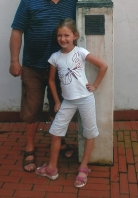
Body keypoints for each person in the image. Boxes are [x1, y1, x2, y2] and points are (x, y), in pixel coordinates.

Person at [9, 0, 78, 172]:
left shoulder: (72, 0)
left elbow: (77, 33)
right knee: (32, 109)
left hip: (62, 69)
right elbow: (17, 30)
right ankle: (30, 147)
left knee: (61, 107)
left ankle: (61, 139)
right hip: (33, 67)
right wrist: (14, 60)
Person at [35, 18, 108, 188]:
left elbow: (103, 66)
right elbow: (51, 81)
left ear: (74, 36)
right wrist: (56, 100)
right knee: (55, 131)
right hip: (67, 101)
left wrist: (95, 85)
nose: (63, 38)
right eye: (60, 35)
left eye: (66, 35)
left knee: (89, 132)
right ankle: (52, 168)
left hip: (85, 99)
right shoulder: (55, 57)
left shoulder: (81, 52)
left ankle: (83, 168)